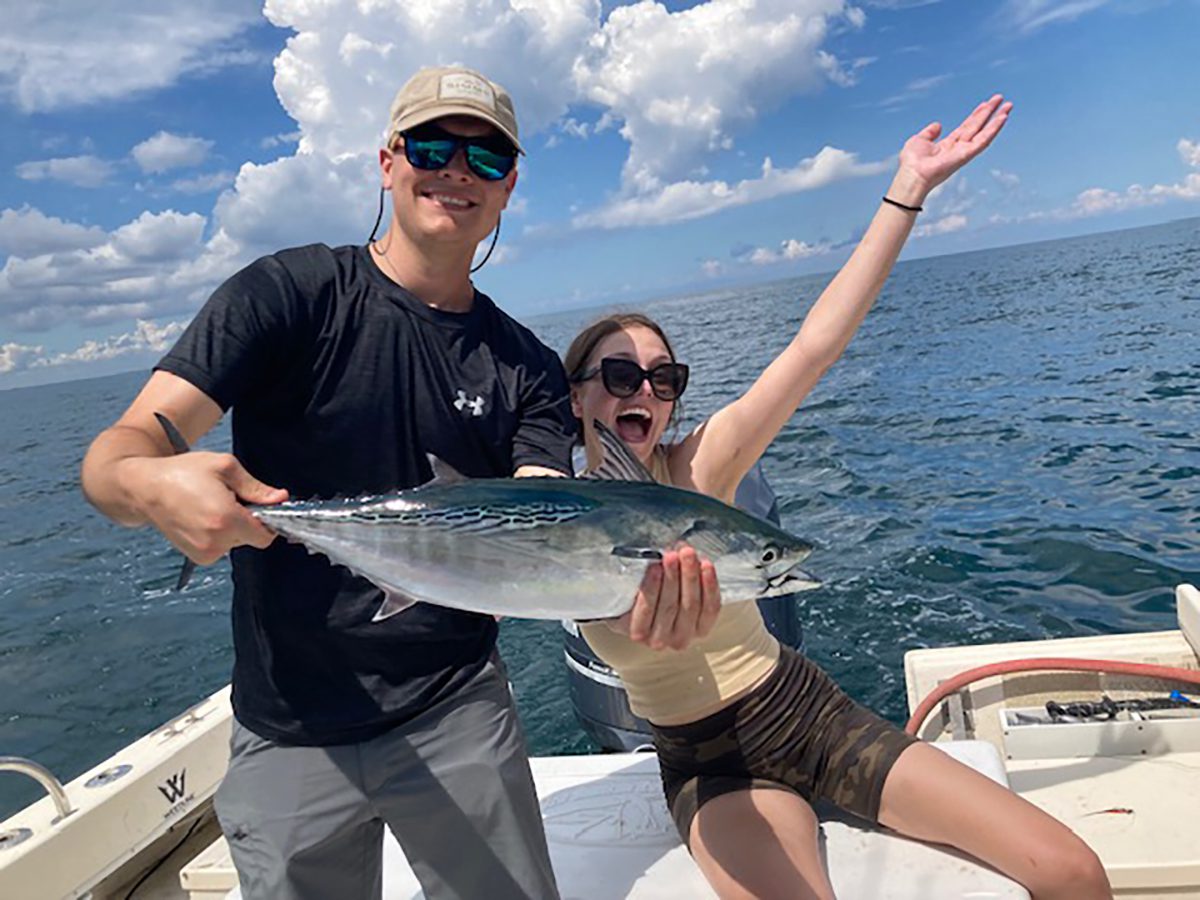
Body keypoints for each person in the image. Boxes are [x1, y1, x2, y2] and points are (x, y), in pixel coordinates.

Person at [80, 65, 717, 900]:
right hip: (288, 722)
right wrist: (148, 484)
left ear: (509, 186)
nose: (457, 170)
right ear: (388, 162)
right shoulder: (291, 295)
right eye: (432, 146)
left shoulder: (523, 365)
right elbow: (117, 453)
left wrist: (622, 587)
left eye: (485, 158)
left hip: (458, 709)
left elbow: (541, 512)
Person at [565, 95, 1113, 900]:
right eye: (618, 375)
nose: (643, 388)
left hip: (809, 713)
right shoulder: (547, 518)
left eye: (663, 377)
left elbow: (816, 345)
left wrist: (908, 189)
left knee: (1073, 871)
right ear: (577, 397)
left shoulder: (698, 472)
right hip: (708, 764)